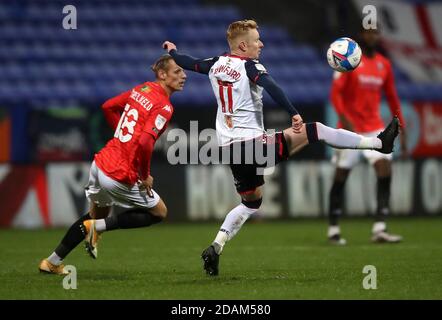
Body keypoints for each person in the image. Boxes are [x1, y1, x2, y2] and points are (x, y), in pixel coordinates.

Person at [163, 19, 399, 276]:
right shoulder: (249, 65)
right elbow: (271, 86)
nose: (261, 44)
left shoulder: (215, 63)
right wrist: (293, 113)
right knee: (314, 130)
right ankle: (378, 143)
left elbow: (189, 62)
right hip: (253, 145)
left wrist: (173, 52)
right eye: (256, 40)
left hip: (230, 149)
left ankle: (216, 247)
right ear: (243, 45)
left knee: (251, 203)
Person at [38, 55, 186, 274]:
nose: (183, 76)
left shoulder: (142, 89)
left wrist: (122, 136)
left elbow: (108, 106)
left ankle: (51, 262)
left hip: (100, 164)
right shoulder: (164, 106)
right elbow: (145, 143)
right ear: (162, 75)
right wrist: (145, 174)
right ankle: (96, 228)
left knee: (95, 214)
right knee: (159, 212)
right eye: (177, 72)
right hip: (119, 172)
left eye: (183, 72)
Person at [327, 27, 407, 245]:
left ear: (378, 36)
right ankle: (333, 228)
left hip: (374, 128)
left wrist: (403, 127)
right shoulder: (350, 62)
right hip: (349, 129)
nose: (372, 36)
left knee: (384, 169)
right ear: (362, 36)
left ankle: (380, 228)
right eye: (368, 32)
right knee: (341, 176)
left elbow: (391, 96)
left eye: (375, 32)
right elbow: (335, 95)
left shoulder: (384, 64)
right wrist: (345, 120)